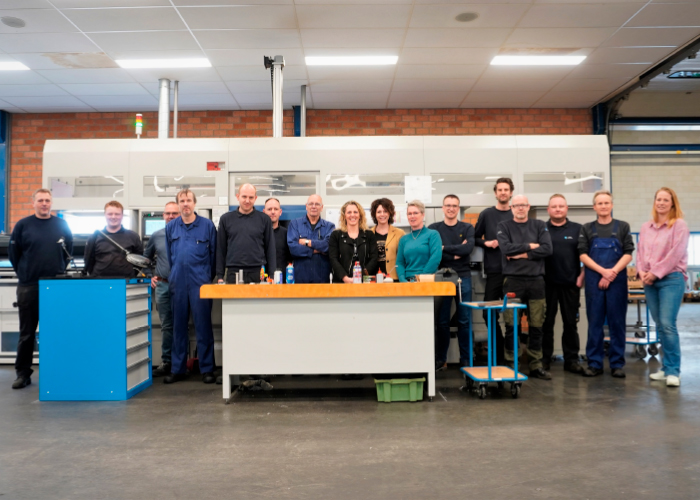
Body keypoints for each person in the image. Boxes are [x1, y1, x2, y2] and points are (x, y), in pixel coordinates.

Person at [8, 188, 73, 389]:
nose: (44, 203)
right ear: (33, 202)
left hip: (55, 286)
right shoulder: (23, 225)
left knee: (55, 331)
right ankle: (23, 374)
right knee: (27, 333)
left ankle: (56, 372)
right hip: (28, 286)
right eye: (40, 200)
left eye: (47, 200)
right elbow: (14, 254)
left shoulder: (61, 225)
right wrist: (25, 273)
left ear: (51, 203)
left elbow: (68, 250)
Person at [579, 190, 634, 378]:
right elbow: (583, 255)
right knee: (594, 322)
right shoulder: (587, 228)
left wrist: (612, 273)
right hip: (594, 280)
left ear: (612, 205)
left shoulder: (623, 227)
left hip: (617, 280)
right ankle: (595, 363)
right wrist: (603, 272)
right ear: (594, 207)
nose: (603, 206)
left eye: (606, 203)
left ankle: (617, 364)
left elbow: (628, 253)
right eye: (599, 203)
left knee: (617, 322)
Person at [496, 195, 553, 379]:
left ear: (528, 207)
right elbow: (506, 249)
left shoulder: (539, 225)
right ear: (511, 207)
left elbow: (547, 249)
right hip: (513, 281)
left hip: (536, 281)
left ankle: (535, 365)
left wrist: (521, 255)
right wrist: (530, 246)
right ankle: (512, 363)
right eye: (517, 205)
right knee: (512, 325)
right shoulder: (504, 226)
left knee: (537, 325)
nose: (520, 208)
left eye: (523, 205)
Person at [637, 187, 689, 387]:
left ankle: (674, 370)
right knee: (659, 325)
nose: (661, 203)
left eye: (665, 200)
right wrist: (641, 272)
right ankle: (666, 368)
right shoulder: (646, 227)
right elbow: (640, 252)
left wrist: (655, 272)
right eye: (658, 199)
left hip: (671, 279)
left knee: (667, 324)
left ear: (672, 204)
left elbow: (675, 254)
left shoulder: (679, 226)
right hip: (650, 281)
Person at [165, 189, 217, 384]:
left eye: (188, 200)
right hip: (178, 281)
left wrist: (205, 276)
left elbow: (213, 256)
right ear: (178, 204)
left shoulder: (207, 226)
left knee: (203, 325)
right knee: (178, 326)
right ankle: (177, 369)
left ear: (194, 203)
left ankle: (207, 369)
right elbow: (171, 257)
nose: (185, 204)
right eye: (181, 201)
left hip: (200, 282)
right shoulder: (172, 228)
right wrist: (175, 275)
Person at [429, 194, 475, 370]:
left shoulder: (467, 227)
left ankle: (466, 360)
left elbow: (468, 248)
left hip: (463, 277)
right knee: (442, 321)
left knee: (464, 320)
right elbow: (434, 252)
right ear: (442, 208)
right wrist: (456, 251)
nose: (451, 208)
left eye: (454, 205)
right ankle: (441, 360)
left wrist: (444, 248)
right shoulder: (434, 229)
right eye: (448, 205)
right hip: (441, 278)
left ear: (459, 208)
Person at [542, 194, 585, 374]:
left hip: (570, 284)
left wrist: (582, 276)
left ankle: (571, 360)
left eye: (561, 206)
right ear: (548, 210)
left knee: (570, 323)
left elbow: (585, 255)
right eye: (554, 206)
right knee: (545, 323)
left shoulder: (578, 229)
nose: (558, 209)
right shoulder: (541, 229)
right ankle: (543, 360)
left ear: (566, 208)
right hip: (546, 284)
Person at [474, 177, 515, 365]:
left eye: (506, 189)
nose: (503, 193)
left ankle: (510, 357)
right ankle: (498, 354)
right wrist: (487, 243)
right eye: (500, 190)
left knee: (512, 316)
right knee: (488, 312)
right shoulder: (487, 215)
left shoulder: (517, 214)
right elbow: (474, 237)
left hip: (515, 272)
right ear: (495, 193)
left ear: (511, 192)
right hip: (494, 271)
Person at [143, 201, 180, 377]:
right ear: (163, 215)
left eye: (174, 213)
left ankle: (181, 361)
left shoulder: (185, 233)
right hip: (163, 285)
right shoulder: (156, 236)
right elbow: (146, 259)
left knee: (181, 325)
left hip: (182, 285)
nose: (171, 216)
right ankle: (167, 361)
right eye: (168, 213)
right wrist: (149, 275)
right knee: (166, 325)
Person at [216, 184, 276, 284]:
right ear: (237, 196)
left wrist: (272, 275)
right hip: (233, 273)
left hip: (258, 272)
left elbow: (270, 248)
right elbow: (220, 249)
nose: (247, 201)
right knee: (233, 300)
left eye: (251, 197)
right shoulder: (226, 219)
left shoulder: (264, 219)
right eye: (244, 196)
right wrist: (220, 276)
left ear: (255, 198)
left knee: (257, 300)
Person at [84, 200, 143, 278]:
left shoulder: (133, 236)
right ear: (105, 215)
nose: (113, 217)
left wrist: (130, 273)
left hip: (126, 281)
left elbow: (139, 260)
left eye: (117, 214)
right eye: (110, 214)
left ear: (122, 215)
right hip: (100, 280)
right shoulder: (94, 237)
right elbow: (88, 261)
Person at [287, 194, 335, 283]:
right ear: (306, 206)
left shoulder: (329, 226)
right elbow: (294, 249)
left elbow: (328, 246)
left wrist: (306, 242)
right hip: (300, 279)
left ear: (322, 207)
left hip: (322, 279)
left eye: (317, 204)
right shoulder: (295, 224)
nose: (314, 206)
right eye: (311, 204)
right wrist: (318, 250)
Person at [329, 201, 379, 283]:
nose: (352, 215)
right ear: (344, 216)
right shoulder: (336, 235)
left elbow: (374, 258)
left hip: (364, 282)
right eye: (349, 212)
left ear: (360, 216)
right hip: (341, 283)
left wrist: (361, 277)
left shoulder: (369, 235)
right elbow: (333, 259)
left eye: (355, 212)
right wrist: (345, 278)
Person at [395, 200, 442, 283]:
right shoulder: (404, 239)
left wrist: (421, 278)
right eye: (409, 213)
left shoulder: (433, 234)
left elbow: (435, 258)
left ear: (423, 215)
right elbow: (399, 262)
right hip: (408, 283)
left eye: (415, 213)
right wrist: (403, 280)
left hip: (427, 281)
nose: (412, 216)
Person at [370, 198, 405, 281]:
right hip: (373, 279)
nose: (382, 214)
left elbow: (403, 258)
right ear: (374, 214)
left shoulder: (400, 233)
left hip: (393, 278)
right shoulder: (368, 234)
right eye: (379, 212)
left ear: (390, 213)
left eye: (385, 211)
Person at [263, 197, 292, 282]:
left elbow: (290, 260)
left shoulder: (287, 234)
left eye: (276, 209)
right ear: (264, 212)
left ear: (280, 212)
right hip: (261, 282)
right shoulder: (258, 234)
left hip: (282, 282)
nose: (272, 212)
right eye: (269, 209)